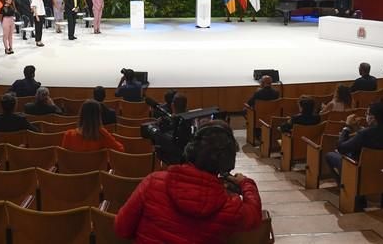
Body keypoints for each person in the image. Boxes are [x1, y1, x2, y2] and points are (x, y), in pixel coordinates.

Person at [114, 120, 262, 243]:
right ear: (227, 163)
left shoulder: (153, 182)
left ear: (190, 150)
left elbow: (122, 228)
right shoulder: (231, 207)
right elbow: (254, 215)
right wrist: (246, 183)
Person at [325, 102, 383, 175]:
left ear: (373, 118)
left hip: (361, 170)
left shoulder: (365, 134)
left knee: (330, 155)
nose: (365, 116)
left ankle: (345, 185)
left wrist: (347, 127)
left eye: (367, 114)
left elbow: (341, 148)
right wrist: (359, 130)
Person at [61, 100, 125, 152]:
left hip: (73, 168)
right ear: (98, 116)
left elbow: (64, 157)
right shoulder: (102, 134)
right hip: (99, 168)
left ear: (81, 114)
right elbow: (120, 149)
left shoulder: (68, 135)